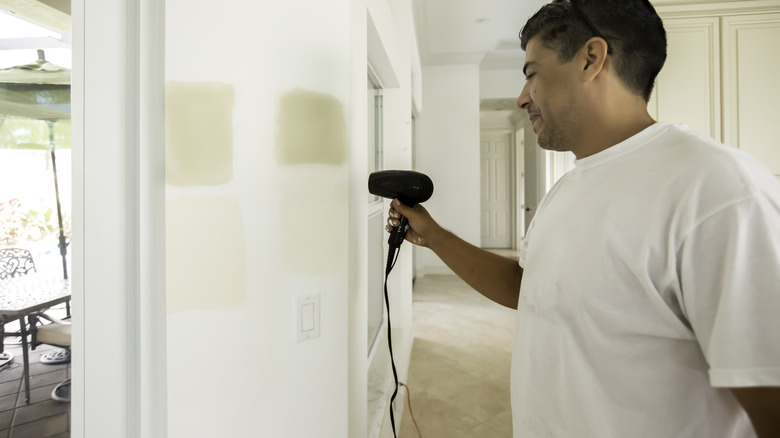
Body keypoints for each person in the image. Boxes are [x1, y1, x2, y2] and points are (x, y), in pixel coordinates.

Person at [386, 0, 780, 437]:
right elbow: (527, 287)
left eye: (531, 74)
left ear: (591, 59)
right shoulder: (570, 186)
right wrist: (436, 236)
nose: (521, 98)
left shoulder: (719, 191)